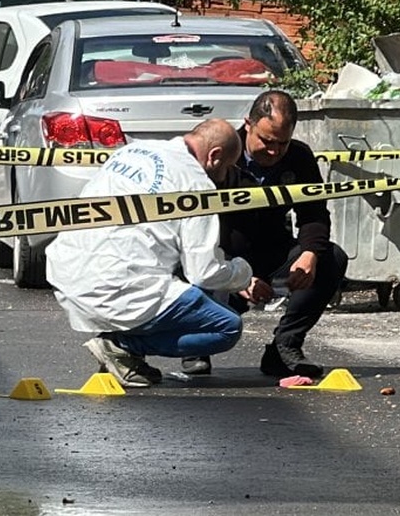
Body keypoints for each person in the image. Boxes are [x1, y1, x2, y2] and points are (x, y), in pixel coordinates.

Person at [46, 119, 275, 387]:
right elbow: (204, 272)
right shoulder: (196, 182)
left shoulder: (133, 151)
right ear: (214, 156)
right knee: (226, 327)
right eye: (225, 168)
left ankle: (124, 353)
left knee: (167, 266)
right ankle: (121, 345)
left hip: (68, 271)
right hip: (120, 286)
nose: (224, 177)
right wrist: (243, 274)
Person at [182, 90, 349, 379]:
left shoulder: (299, 157)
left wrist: (309, 254)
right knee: (191, 272)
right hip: (220, 255)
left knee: (331, 257)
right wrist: (236, 276)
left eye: (282, 144)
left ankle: (285, 347)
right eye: (267, 141)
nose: (274, 152)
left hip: (271, 252)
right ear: (249, 124)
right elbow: (195, 230)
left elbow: (314, 214)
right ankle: (196, 345)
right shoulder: (222, 155)